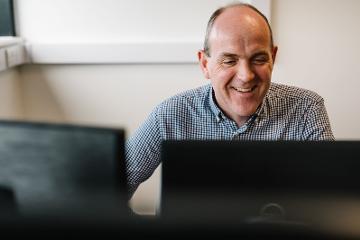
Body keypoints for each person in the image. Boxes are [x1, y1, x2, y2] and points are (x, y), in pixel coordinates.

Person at [125, 2, 334, 195]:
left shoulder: (306, 109)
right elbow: (103, 190)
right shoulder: (171, 115)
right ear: (205, 64)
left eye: (259, 59)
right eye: (229, 60)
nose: (246, 76)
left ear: (273, 57)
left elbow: (333, 200)